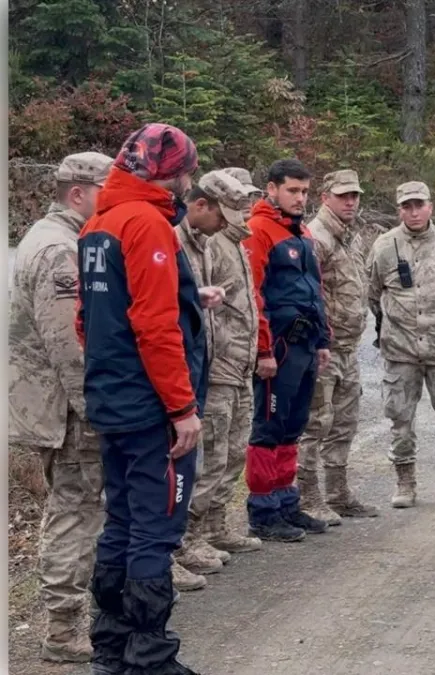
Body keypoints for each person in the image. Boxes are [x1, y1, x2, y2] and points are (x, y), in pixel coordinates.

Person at [77, 122, 217, 675]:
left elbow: (88, 320)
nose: (188, 182)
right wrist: (182, 409)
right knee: (154, 529)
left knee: (122, 525)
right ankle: (149, 657)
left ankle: (109, 648)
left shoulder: (98, 224)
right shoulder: (145, 223)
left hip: (111, 398)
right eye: (186, 171)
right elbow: (155, 327)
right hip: (151, 408)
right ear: (171, 172)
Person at [10, 151, 112, 663]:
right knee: (74, 513)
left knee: (79, 510)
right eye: (105, 193)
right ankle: (62, 629)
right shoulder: (59, 250)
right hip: (67, 410)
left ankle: (70, 619)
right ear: (79, 193)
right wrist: (96, 408)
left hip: (63, 406)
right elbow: (69, 345)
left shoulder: (60, 239)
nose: (111, 203)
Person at [242, 158, 333, 542]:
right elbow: (253, 294)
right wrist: (263, 350)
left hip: (304, 344)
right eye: (293, 191)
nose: (300, 198)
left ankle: (285, 502)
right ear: (272, 189)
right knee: (269, 426)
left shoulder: (302, 234)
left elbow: (316, 289)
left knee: (294, 426)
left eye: (305, 191)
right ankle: (263, 510)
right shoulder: (259, 229)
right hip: (277, 347)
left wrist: (323, 340)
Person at [367, 181, 435, 508]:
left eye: (419, 205)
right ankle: (405, 481)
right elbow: (372, 295)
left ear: (430, 206)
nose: (413, 212)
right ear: (399, 209)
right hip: (401, 350)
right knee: (400, 418)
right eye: (406, 206)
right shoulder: (384, 246)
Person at [297, 169, 380, 525]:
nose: (350, 201)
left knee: (344, 423)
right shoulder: (316, 237)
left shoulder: (350, 237)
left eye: (355, 195)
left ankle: (337, 491)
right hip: (324, 348)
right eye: (343, 195)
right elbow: (308, 294)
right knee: (316, 422)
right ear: (325, 197)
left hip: (348, 346)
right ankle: (307, 494)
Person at [171, 171, 243, 580]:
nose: (227, 226)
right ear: (200, 205)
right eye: (223, 216)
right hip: (180, 374)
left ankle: (194, 537)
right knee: (184, 469)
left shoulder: (203, 243)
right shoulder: (171, 240)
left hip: (206, 365)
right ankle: (175, 547)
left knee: (211, 461)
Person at [198, 171, 266, 558]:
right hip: (219, 365)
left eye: (251, 199)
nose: (248, 207)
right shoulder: (213, 243)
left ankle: (216, 524)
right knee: (212, 451)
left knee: (235, 449)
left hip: (241, 363)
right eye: (241, 201)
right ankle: (191, 535)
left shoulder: (238, 242)